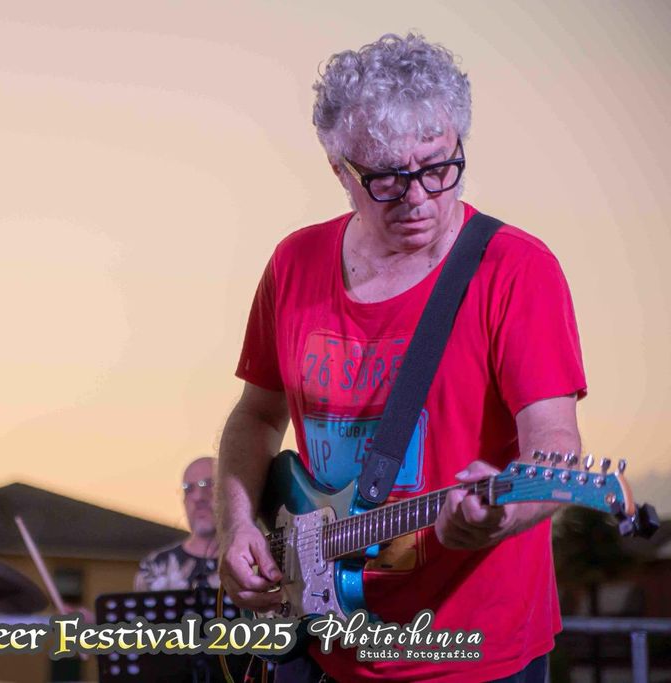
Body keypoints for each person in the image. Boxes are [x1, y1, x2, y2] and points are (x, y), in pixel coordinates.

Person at [217, 33, 586, 683]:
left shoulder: (517, 269)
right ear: (340, 171)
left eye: (438, 167)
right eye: (387, 178)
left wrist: (504, 513)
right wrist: (237, 524)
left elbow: (555, 447)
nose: (419, 199)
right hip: (319, 642)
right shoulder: (294, 263)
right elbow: (255, 416)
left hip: (474, 653)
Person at [134, 457, 219, 591]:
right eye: (189, 489)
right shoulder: (154, 567)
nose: (198, 497)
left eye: (209, 485)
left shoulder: (251, 560)